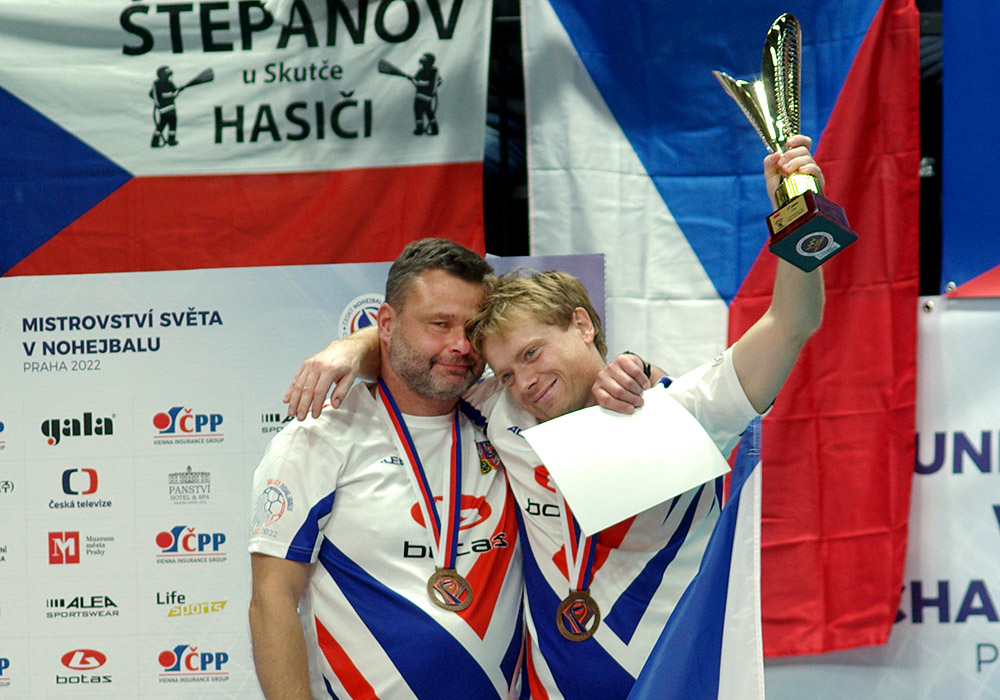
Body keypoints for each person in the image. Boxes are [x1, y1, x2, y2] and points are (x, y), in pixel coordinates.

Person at [281, 135, 826, 699]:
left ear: (582, 325)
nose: (524, 381)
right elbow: (423, 364)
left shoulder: (681, 411)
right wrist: (352, 348)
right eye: (506, 372)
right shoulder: (502, 416)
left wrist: (796, 212)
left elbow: (791, 323)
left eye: (532, 353)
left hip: (677, 684)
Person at [248, 239, 526, 700]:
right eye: (440, 324)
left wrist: (354, 346)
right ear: (388, 324)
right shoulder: (320, 438)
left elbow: (575, 360)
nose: (460, 345)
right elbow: (271, 600)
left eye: (473, 327)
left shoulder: (506, 415)